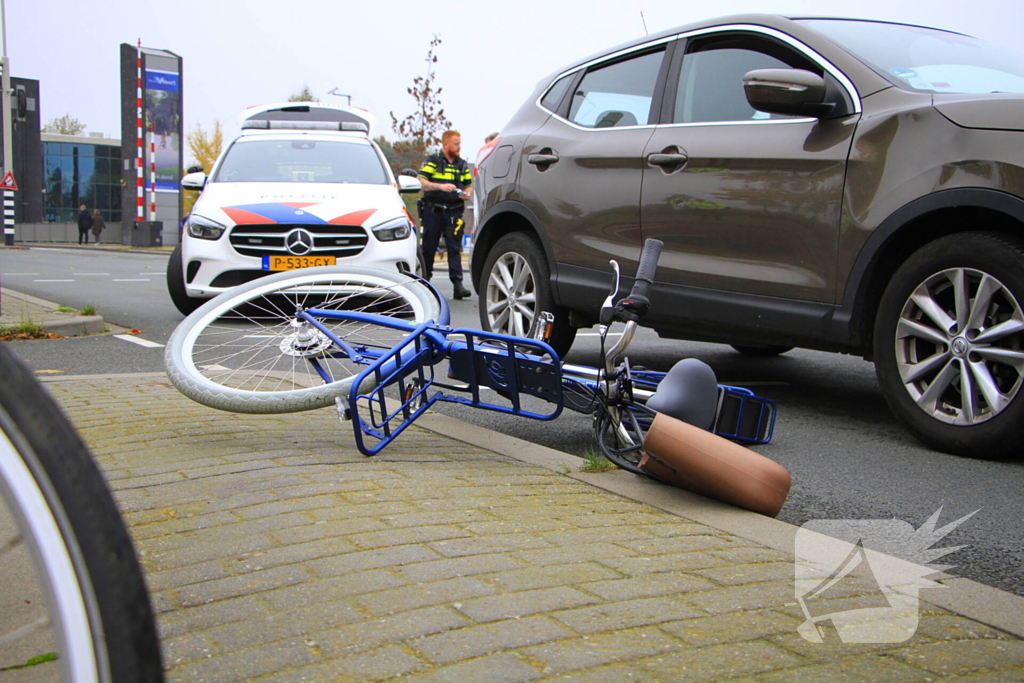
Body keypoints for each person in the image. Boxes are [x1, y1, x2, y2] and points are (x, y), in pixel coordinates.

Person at [417, 130, 473, 299]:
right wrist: (440, 186)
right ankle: (424, 283)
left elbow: (468, 185)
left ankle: (458, 285)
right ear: (446, 144)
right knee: (429, 247)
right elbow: (422, 182)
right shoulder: (433, 160)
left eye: (459, 143)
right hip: (433, 210)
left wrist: (467, 194)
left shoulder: (462, 164)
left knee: (454, 248)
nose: (459, 147)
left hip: (454, 211)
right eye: (456, 144)